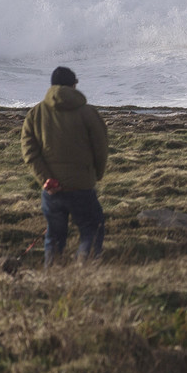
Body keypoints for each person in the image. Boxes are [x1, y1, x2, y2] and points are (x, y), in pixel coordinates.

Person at [20, 66, 109, 266]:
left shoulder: (35, 114)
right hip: (82, 186)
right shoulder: (88, 112)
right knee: (92, 229)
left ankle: (52, 276)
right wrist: (97, 174)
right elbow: (101, 147)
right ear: (73, 85)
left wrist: (46, 179)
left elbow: (29, 152)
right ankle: (85, 270)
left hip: (52, 190)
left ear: (52, 86)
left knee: (54, 236)